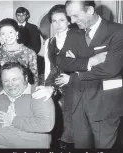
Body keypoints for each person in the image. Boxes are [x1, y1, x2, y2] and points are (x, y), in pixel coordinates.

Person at [57, 0, 123, 148]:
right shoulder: (74, 33)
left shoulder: (118, 31)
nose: (72, 21)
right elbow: (61, 61)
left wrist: (75, 76)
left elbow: (111, 69)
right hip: (77, 101)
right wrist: (90, 61)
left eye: (75, 15)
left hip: (105, 103)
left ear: (90, 10)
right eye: (70, 17)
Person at [0, 62, 55, 148]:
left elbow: (46, 125)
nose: (10, 84)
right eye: (6, 81)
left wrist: (13, 120)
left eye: (14, 79)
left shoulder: (39, 93)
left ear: (25, 78)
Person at [38, 4, 78, 149]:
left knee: (69, 118)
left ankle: (68, 144)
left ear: (69, 21)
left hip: (72, 82)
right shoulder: (49, 42)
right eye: (54, 21)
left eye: (62, 20)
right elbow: (48, 67)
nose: (58, 24)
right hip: (53, 82)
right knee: (52, 116)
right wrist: (45, 85)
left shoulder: (78, 39)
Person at [0, 18, 38, 85]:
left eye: (10, 32)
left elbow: (35, 79)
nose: (7, 36)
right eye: (3, 33)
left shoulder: (29, 53)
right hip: (1, 90)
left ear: (16, 33)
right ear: (0, 35)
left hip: (24, 91)